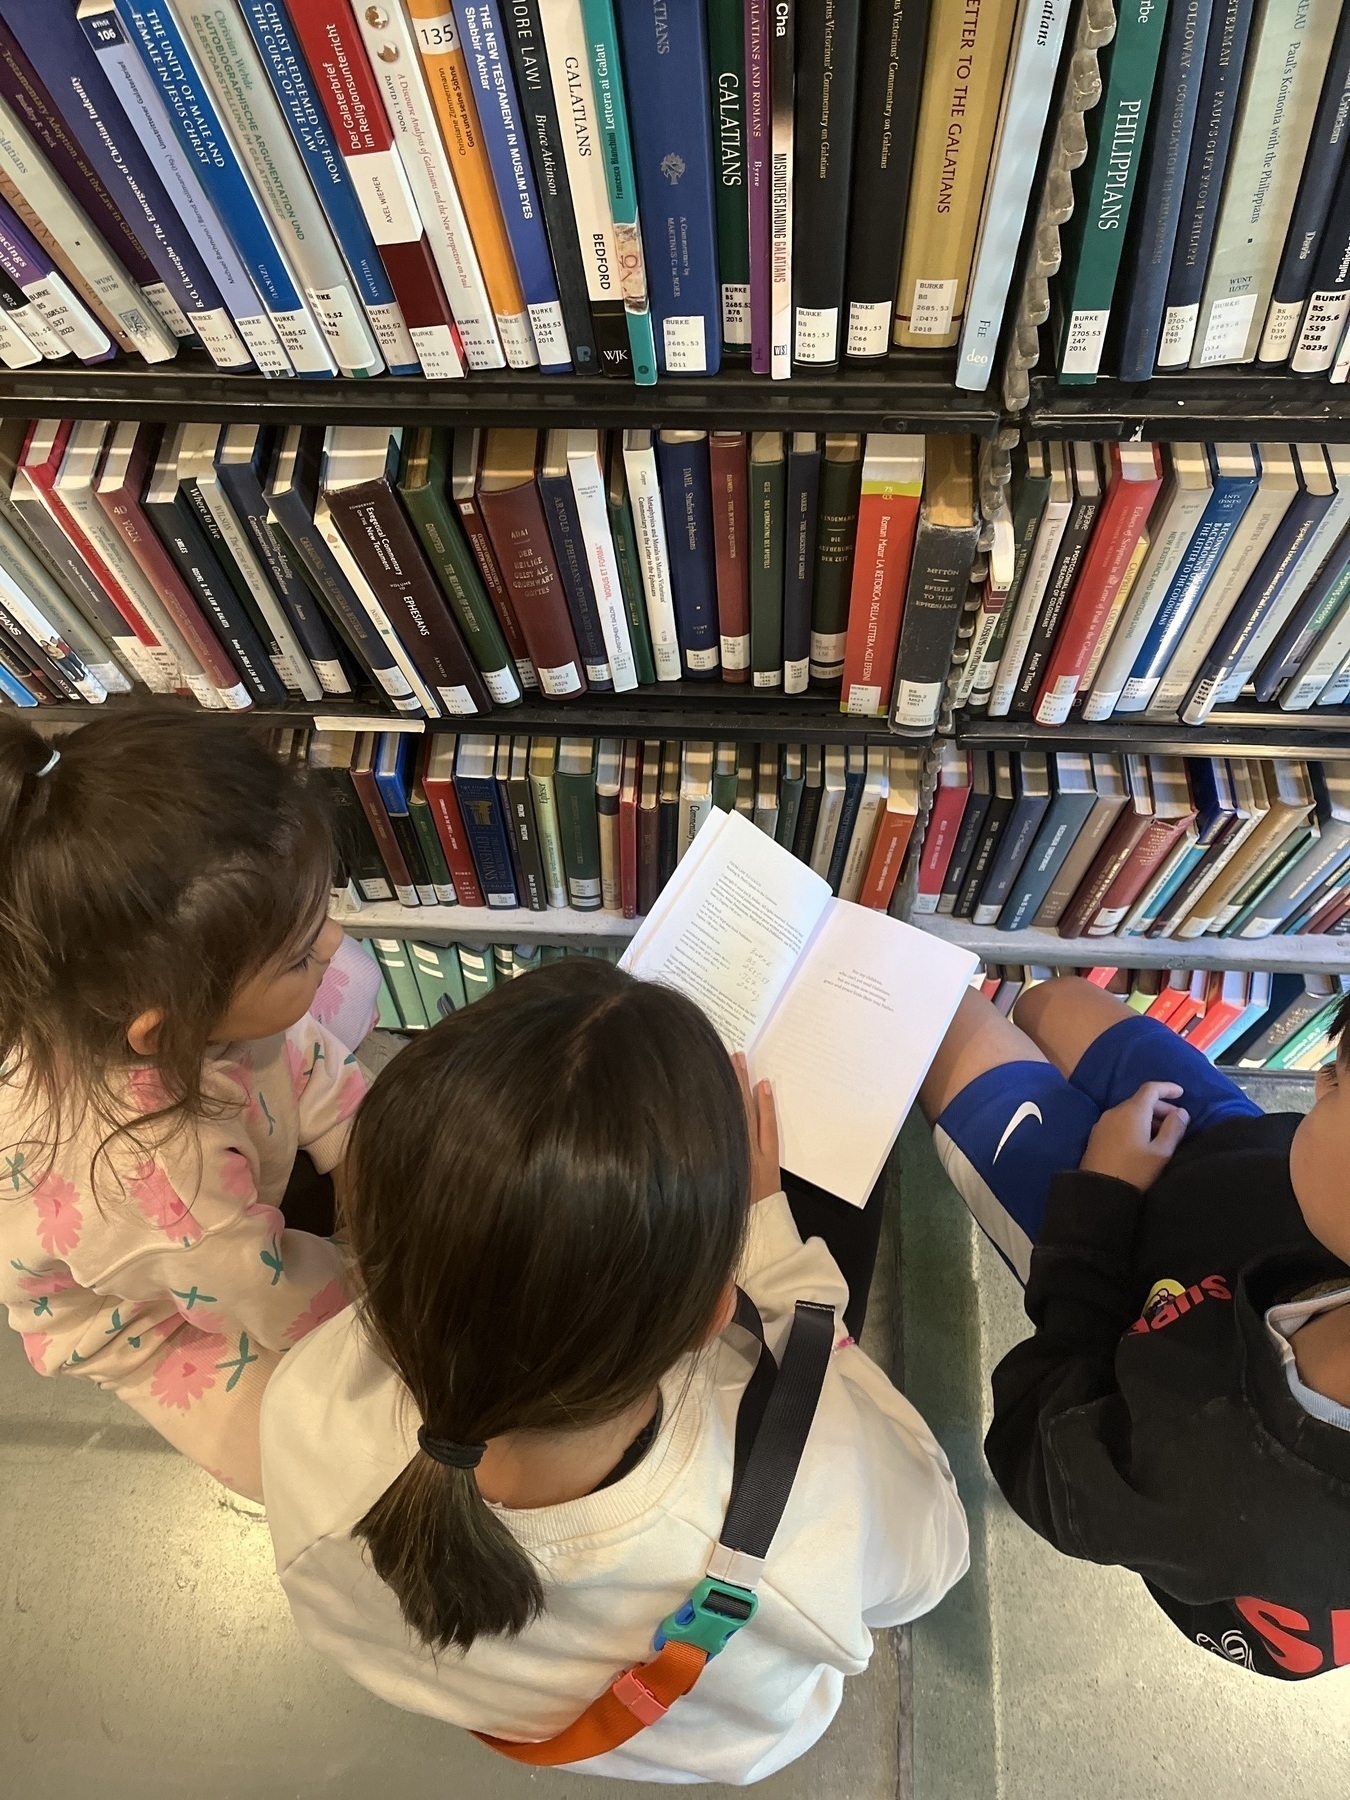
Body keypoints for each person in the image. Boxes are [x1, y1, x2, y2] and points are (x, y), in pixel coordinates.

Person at [260, 958, 968, 1784]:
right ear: (715, 1315)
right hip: (710, 1729)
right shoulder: (814, 1491)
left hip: (500, 1701)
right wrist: (775, 1255)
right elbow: (930, 1563)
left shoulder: (301, 1406)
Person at [920, 973, 1350, 1680]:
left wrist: (1101, 1197)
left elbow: (1041, 1443)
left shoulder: (1206, 1474)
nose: (1317, 1080)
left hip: (1103, 1251)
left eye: (1337, 1082)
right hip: (1245, 1158)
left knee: (931, 1008)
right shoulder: (1323, 1180)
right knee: (1046, 998)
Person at [0, 707, 369, 1501]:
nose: (337, 944)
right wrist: (387, 1289)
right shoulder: (166, 1180)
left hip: (214, 1206)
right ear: (168, 1030)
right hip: (143, 1317)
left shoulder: (177, 1000)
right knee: (320, 1474)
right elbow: (269, 1294)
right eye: (303, 954)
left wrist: (366, 1141)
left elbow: (300, 1059)